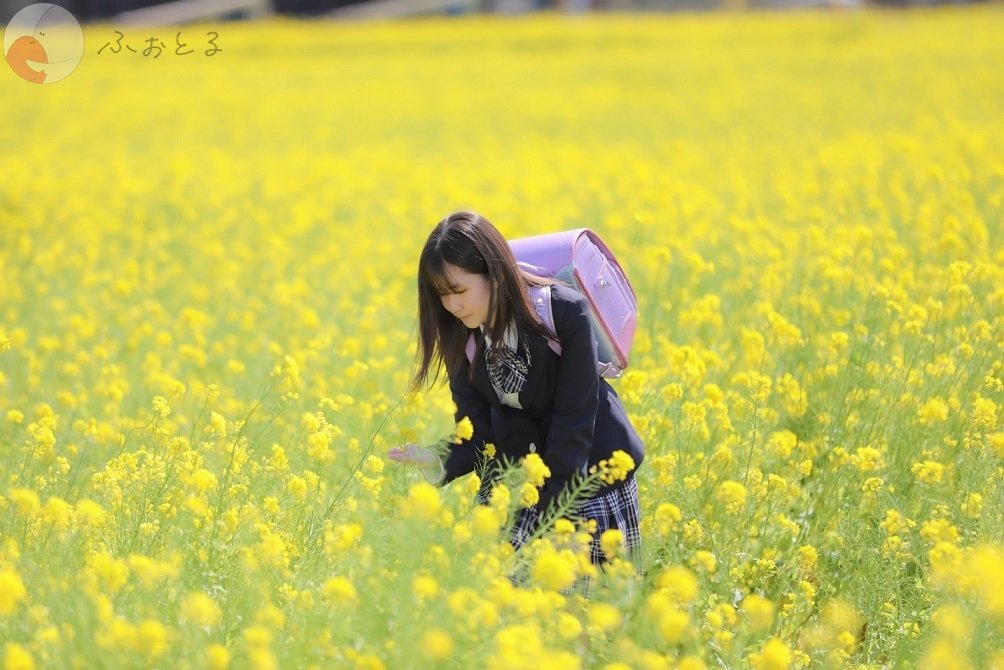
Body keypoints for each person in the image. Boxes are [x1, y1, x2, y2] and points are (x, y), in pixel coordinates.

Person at [387, 210, 645, 565]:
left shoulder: (564, 313)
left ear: (493, 274)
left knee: (590, 613)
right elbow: (477, 430)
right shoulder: (463, 337)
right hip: (517, 487)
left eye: (459, 290)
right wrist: (436, 457)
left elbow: (575, 420)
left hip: (588, 483)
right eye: (442, 296)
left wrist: (551, 518)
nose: (452, 305)